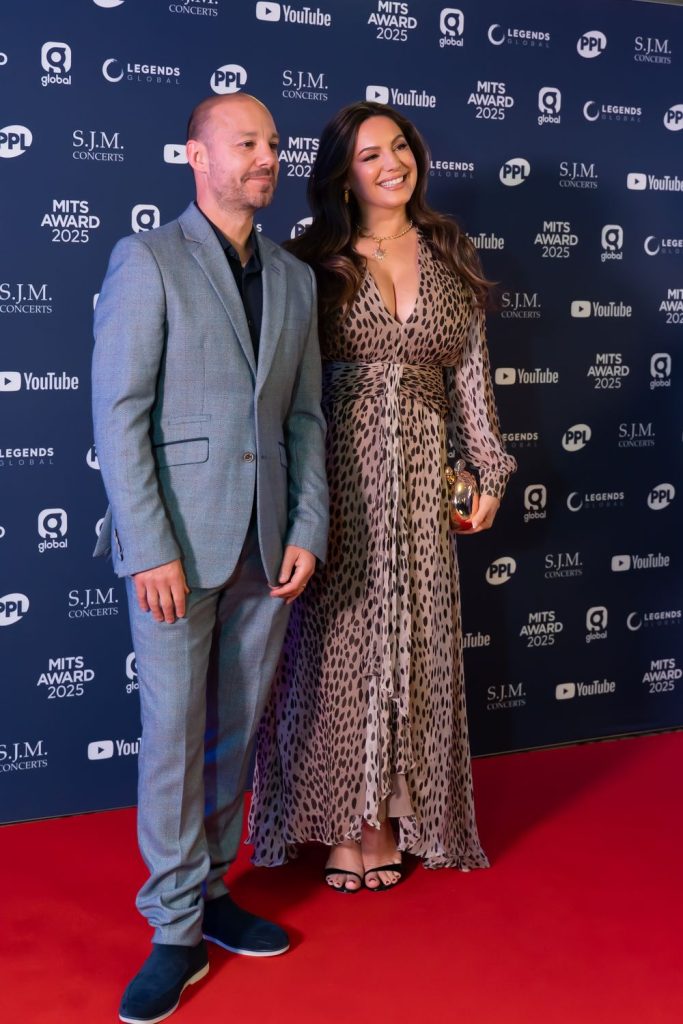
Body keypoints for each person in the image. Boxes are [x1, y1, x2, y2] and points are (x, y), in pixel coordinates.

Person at [92, 93, 328, 1023]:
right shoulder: (149, 259)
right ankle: (172, 928)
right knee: (174, 738)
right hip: (176, 550)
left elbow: (305, 418)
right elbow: (119, 416)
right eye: (246, 143)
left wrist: (306, 525)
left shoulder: (294, 277)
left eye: (272, 144)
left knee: (235, 733)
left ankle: (215, 895)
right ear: (196, 155)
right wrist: (148, 546)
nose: (266, 157)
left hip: (268, 546)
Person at [248, 100, 516, 894]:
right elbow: (282, 391)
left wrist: (487, 469)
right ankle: (347, 825)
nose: (391, 163)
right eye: (369, 155)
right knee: (338, 653)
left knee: (417, 651)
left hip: (424, 485)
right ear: (342, 172)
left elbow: (468, 371)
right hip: (335, 479)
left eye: (398, 147)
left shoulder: (447, 250)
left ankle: (400, 817)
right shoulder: (309, 261)